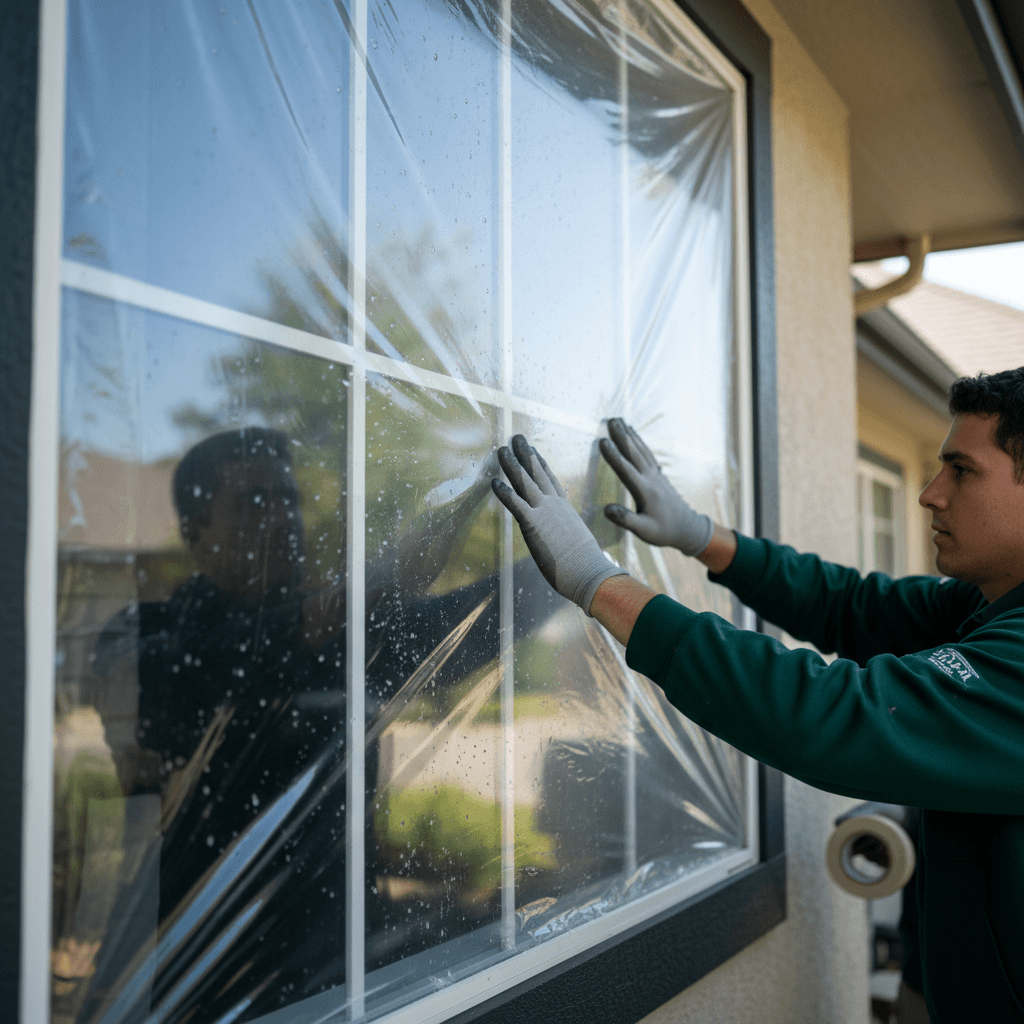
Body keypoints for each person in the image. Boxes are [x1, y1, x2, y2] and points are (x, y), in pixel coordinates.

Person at [492, 366, 1024, 1024]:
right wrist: (701, 536)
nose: (930, 493)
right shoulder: (988, 604)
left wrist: (599, 584)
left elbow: (841, 715)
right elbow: (853, 605)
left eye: (962, 470)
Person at [86, 427, 551, 1024]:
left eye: (288, 498)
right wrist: (364, 589)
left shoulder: (342, 637)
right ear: (195, 533)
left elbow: (467, 626)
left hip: (338, 965)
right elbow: (211, 667)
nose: (282, 517)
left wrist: (573, 562)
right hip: (184, 981)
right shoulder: (144, 635)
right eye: (254, 501)